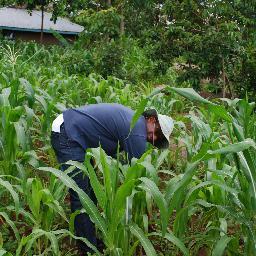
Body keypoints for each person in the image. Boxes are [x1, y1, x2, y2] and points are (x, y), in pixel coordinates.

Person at [50, 103, 174, 254]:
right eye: (157, 132)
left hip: (72, 129)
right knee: (81, 195)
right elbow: (132, 183)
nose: (153, 138)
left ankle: (91, 239)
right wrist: (128, 221)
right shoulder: (137, 131)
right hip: (68, 132)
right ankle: (88, 249)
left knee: (90, 191)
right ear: (151, 120)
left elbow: (120, 162)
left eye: (158, 138)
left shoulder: (133, 121)